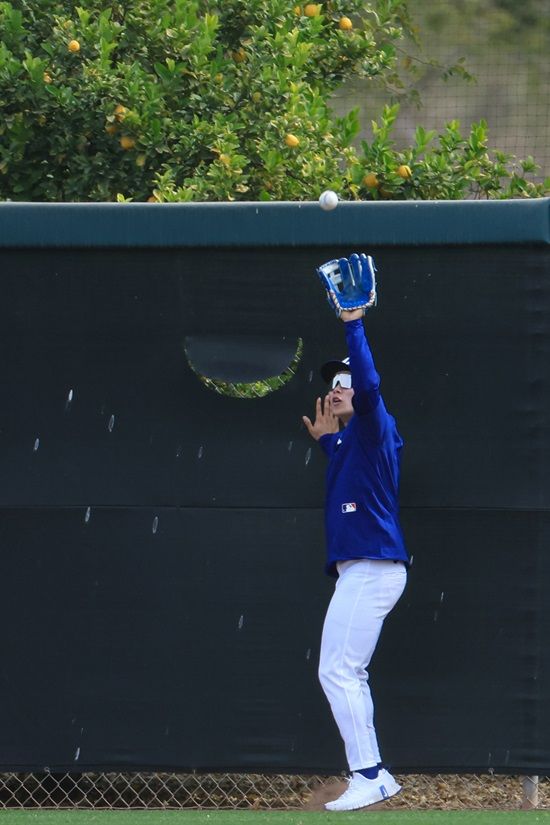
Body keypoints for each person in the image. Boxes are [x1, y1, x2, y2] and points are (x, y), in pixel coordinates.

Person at [302, 305, 409, 812]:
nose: (338, 388)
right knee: (343, 671)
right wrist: (327, 442)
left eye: (345, 381)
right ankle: (372, 773)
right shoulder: (349, 444)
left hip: (372, 567)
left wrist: (354, 324)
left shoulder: (374, 424)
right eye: (333, 383)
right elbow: (352, 464)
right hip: (365, 569)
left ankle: (371, 775)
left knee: (338, 671)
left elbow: (369, 388)